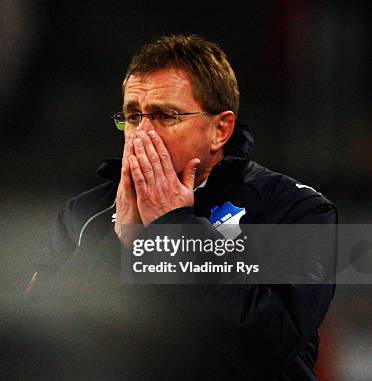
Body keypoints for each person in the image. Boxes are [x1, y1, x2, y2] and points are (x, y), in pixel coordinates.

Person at [28, 35, 336, 380]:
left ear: (220, 129)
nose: (142, 134)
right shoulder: (84, 215)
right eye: (132, 117)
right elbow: (41, 340)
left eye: (164, 116)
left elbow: (272, 344)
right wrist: (120, 245)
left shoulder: (293, 210)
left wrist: (173, 228)